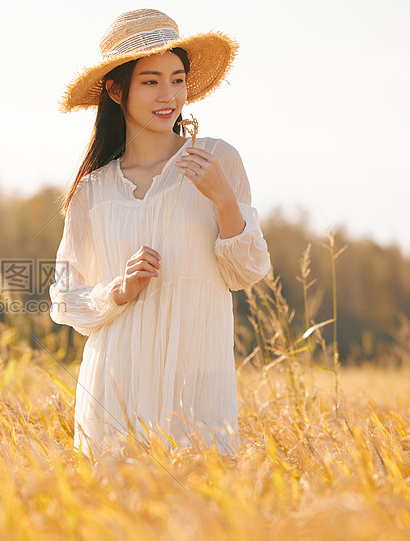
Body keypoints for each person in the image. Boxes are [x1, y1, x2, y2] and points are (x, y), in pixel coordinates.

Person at [49, 9, 271, 456]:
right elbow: (66, 299)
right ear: (116, 90)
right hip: (116, 384)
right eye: (150, 81)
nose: (168, 95)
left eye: (177, 79)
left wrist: (223, 199)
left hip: (197, 384)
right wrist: (119, 289)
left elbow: (248, 271)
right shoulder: (93, 190)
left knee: (205, 511)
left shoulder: (217, 160)